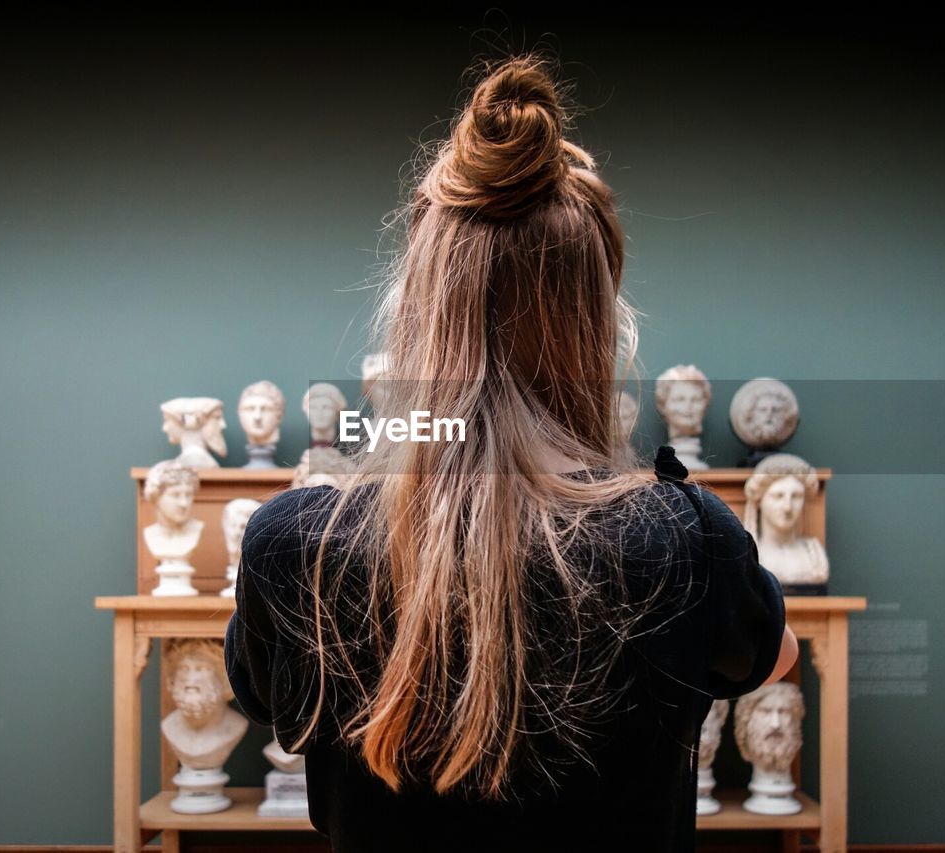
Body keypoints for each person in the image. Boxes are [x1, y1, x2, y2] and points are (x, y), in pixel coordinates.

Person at [225, 52, 797, 853]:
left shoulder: (293, 545)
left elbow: (261, 695)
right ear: (598, 327)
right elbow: (774, 654)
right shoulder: (684, 536)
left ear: (416, 321)